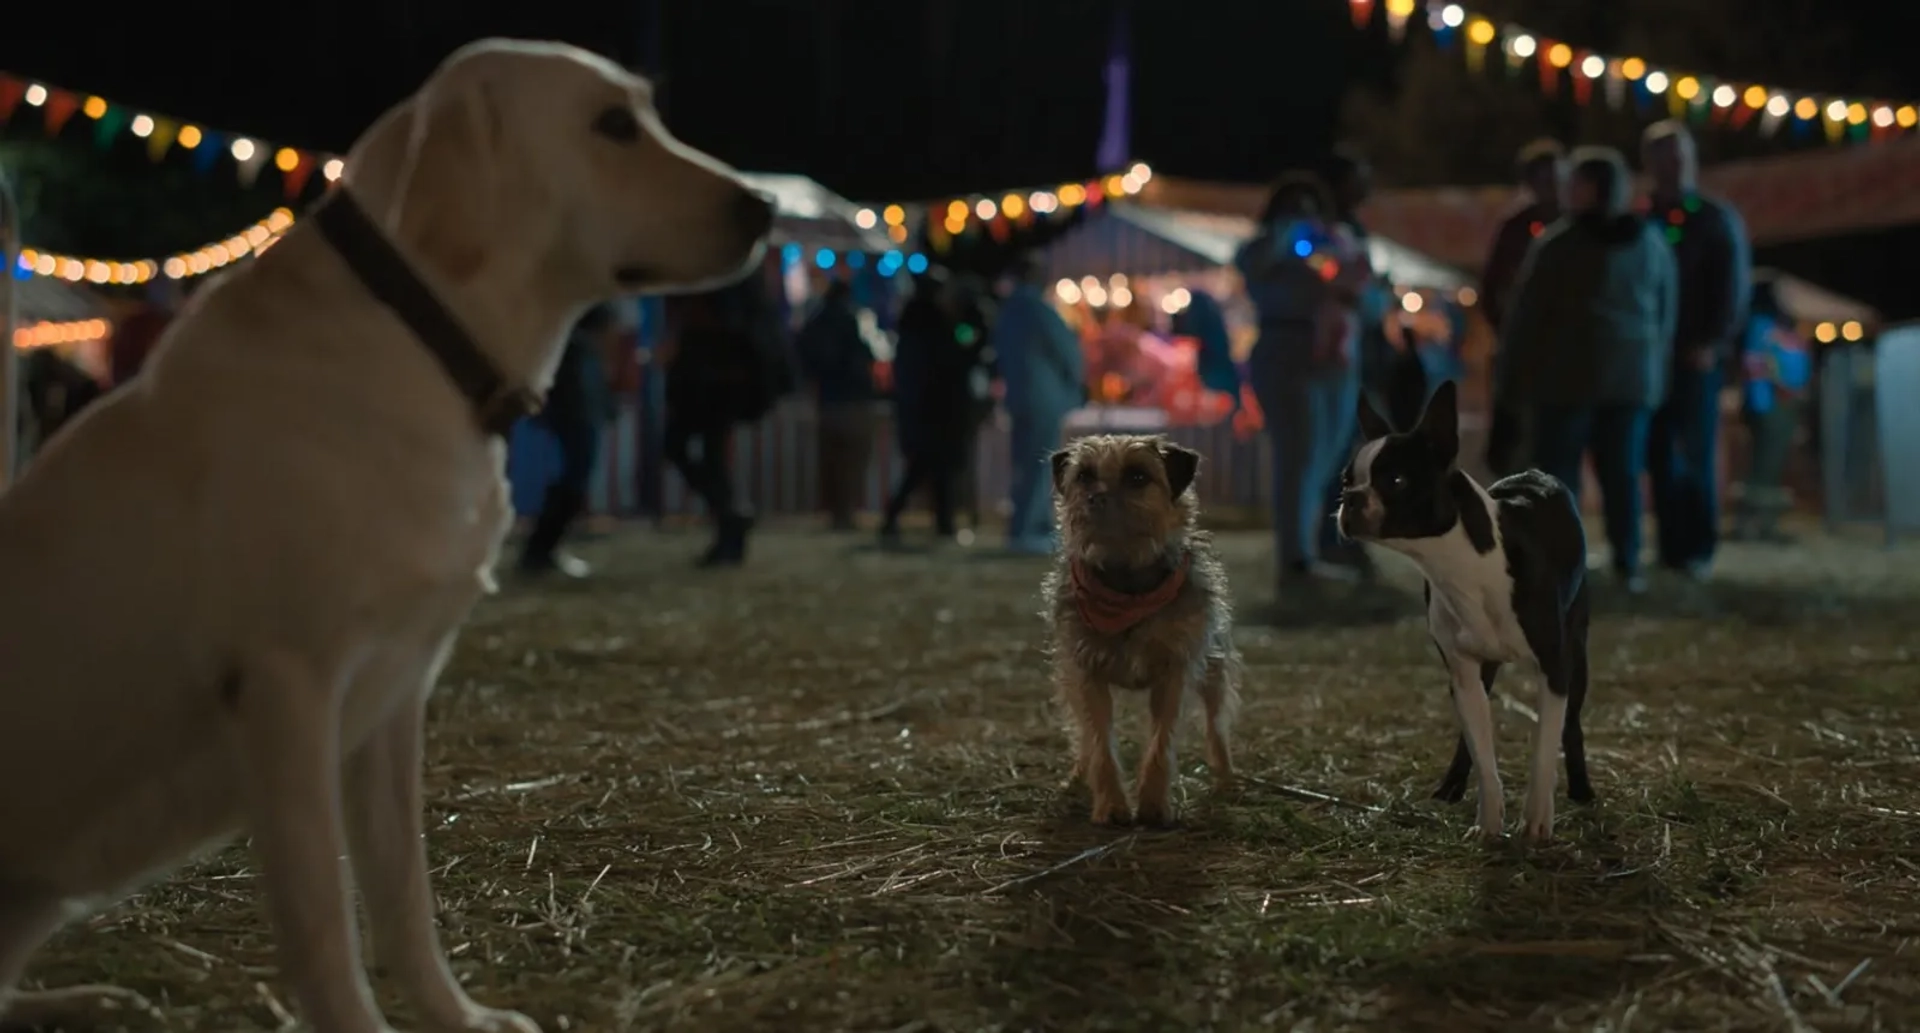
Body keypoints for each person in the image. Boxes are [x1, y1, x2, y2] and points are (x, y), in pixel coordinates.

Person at [1498, 146, 1677, 594]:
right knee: (1622, 475)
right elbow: (1665, 310)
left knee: (1559, 476)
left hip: (1566, 379)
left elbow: (1526, 316)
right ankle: (1626, 560)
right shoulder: (1650, 242)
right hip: (1631, 379)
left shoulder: (1560, 242)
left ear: (1590, 188)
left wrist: (1512, 380)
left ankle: (1560, 563)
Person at [1234, 171, 1374, 592]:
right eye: (1295, 204)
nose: (1306, 213)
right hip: (1288, 348)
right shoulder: (1265, 245)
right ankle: (1295, 560)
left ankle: (1310, 553)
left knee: (1326, 459)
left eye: (1312, 205)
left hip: (1336, 355)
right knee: (1299, 458)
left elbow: (1368, 298)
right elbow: (1253, 265)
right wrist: (1288, 231)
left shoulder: (1339, 242)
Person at [1642, 120, 1752, 581]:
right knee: (1658, 454)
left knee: (1695, 453)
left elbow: (1732, 288)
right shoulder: (1642, 221)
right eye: (1663, 155)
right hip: (1650, 361)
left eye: (1679, 154)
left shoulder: (1714, 218)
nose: (1673, 164)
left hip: (1696, 359)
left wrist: (1712, 342)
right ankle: (1670, 548)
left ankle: (1698, 549)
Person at [663, 273, 791, 567]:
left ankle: (729, 519)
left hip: (716, 378)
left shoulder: (726, 281)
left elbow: (731, 323)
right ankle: (729, 517)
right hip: (714, 376)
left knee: (703, 453)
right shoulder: (733, 280)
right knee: (701, 453)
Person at [1481, 139, 1569, 475]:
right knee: (1516, 440)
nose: (1552, 188)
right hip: (1523, 353)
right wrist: (1509, 331)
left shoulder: (1580, 227)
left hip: (1568, 355)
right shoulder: (1515, 229)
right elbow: (1492, 288)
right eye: (1543, 180)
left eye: (1558, 179)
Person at [518, 303, 622, 577]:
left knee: (577, 473)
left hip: (576, 387)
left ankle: (541, 550)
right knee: (577, 473)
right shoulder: (579, 343)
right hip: (574, 391)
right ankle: (540, 551)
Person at [995, 254, 1087, 554]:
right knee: (1038, 462)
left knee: (1025, 462)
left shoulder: (1009, 311)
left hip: (1020, 396)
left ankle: (1023, 526)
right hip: (1042, 397)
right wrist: (1076, 383)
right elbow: (1066, 349)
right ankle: (1031, 529)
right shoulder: (1037, 309)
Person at [880, 270, 980, 544]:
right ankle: (940, 522)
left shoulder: (913, 327)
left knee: (927, 468)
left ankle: (932, 521)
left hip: (922, 410)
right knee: (935, 468)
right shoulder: (933, 327)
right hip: (937, 411)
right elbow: (952, 363)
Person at [1731, 276, 1813, 543]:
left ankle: (1765, 524)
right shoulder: (1760, 326)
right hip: (1769, 403)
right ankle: (1750, 527)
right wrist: (1782, 387)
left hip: (1781, 403)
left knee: (1772, 465)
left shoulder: (1777, 326)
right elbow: (1757, 364)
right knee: (1763, 466)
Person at [794, 276, 878, 532]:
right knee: (852, 464)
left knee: (831, 463)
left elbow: (803, 357)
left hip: (828, 400)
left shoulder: (815, 322)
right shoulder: (854, 320)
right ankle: (845, 514)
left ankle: (836, 514)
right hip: (854, 400)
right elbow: (866, 356)